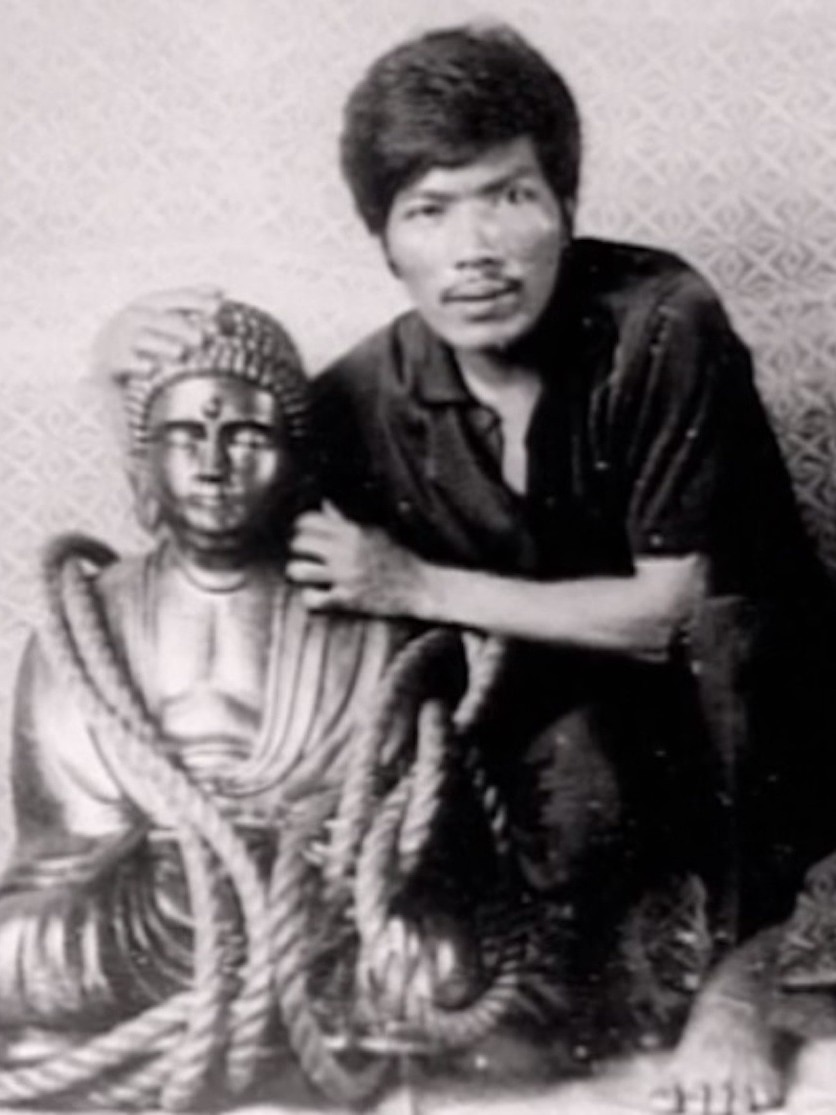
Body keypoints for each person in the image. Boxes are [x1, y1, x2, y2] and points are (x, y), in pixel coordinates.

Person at [93, 22, 836, 1110]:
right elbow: (215, 504)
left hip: (737, 697)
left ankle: (737, 963)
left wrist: (412, 583)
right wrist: (118, 359)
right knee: (523, 979)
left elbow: (664, 614)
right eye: (428, 210)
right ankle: (587, 947)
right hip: (562, 724)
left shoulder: (659, 320)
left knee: (733, 630)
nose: (474, 248)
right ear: (387, 244)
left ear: (564, 209)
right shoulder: (363, 394)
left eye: (507, 196)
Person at [0, 297, 496, 1109]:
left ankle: (294, 1015)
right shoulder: (83, 624)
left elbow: (417, 856)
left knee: (433, 964)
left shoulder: (372, 622)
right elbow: (59, 856)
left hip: (321, 922)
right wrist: (188, 894)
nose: (213, 464)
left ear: (297, 461)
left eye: (247, 437)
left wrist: (361, 910)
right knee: (14, 953)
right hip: (139, 926)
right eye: (185, 436)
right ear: (142, 460)